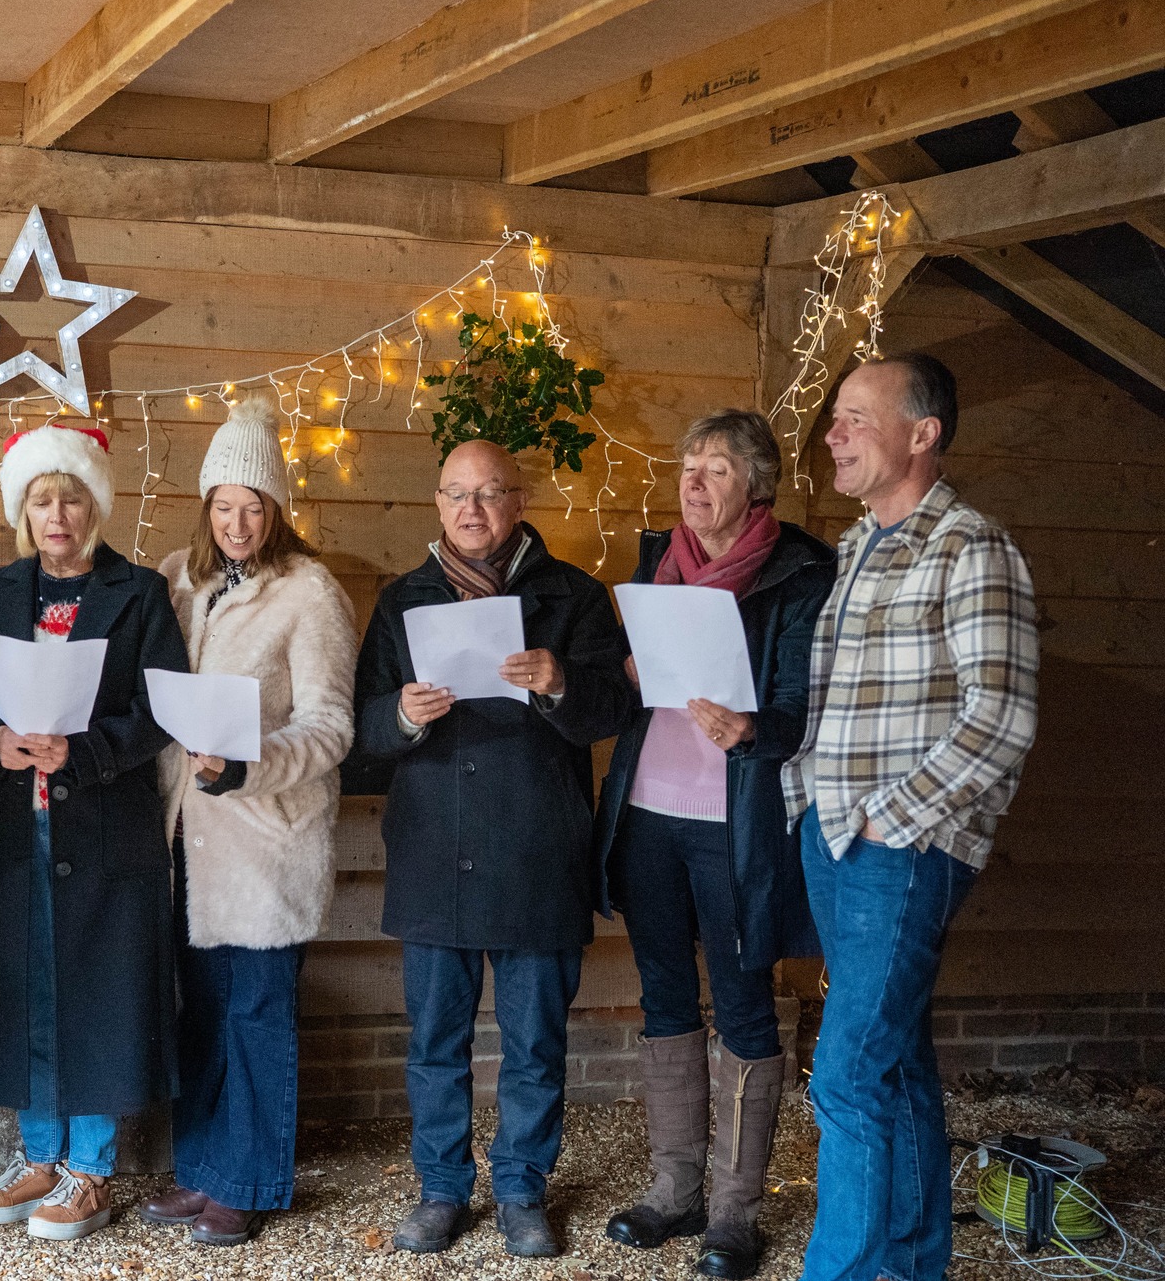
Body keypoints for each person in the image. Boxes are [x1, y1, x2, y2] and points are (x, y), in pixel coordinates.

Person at [786, 354, 1039, 1281]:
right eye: (835, 419)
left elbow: (1001, 714)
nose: (832, 435)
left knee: (848, 1072)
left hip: (902, 844)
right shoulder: (855, 548)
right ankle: (909, 1263)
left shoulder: (971, 548)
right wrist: (805, 800)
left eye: (855, 417)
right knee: (892, 1065)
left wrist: (896, 818)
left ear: (922, 433)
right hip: (834, 834)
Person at [351, 438, 633, 1259]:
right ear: (438, 504)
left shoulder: (572, 595)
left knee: (535, 1041)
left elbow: (613, 707)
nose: (472, 509)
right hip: (434, 847)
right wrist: (401, 713)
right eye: (457, 494)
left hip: (536, 849)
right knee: (435, 1040)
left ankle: (520, 1186)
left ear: (518, 501)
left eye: (490, 493)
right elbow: (362, 727)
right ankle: (442, 1188)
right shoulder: (402, 599)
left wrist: (560, 683)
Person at [594, 409, 833, 1280]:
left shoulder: (801, 572)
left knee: (740, 1003)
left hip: (735, 821)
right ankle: (673, 1189)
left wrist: (754, 727)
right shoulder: (656, 561)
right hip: (648, 812)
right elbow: (630, 688)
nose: (695, 484)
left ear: (757, 486)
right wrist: (622, 672)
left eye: (718, 470)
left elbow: (812, 708)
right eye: (689, 466)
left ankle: (734, 1211)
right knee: (664, 997)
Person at [0, 424, 187, 1243]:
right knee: (27, 986)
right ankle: (38, 1155)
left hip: (104, 824)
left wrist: (83, 749)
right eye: (43, 498)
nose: (58, 513)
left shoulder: (141, 592)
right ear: (23, 507)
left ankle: (90, 1167)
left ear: (98, 503)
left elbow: (163, 711)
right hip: (19, 826)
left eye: (73, 496)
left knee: (94, 989)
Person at [135, 395, 356, 1247]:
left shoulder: (308, 591)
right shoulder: (175, 579)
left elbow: (331, 724)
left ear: (276, 509)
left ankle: (252, 1179)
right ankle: (202, 1171)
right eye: (224, 505)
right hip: (188, 834)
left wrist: (250, 763)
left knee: (256, 1010)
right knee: (202, 1007)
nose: (236, 521)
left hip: (267, 836)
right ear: (207, 507)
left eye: (252, 505)